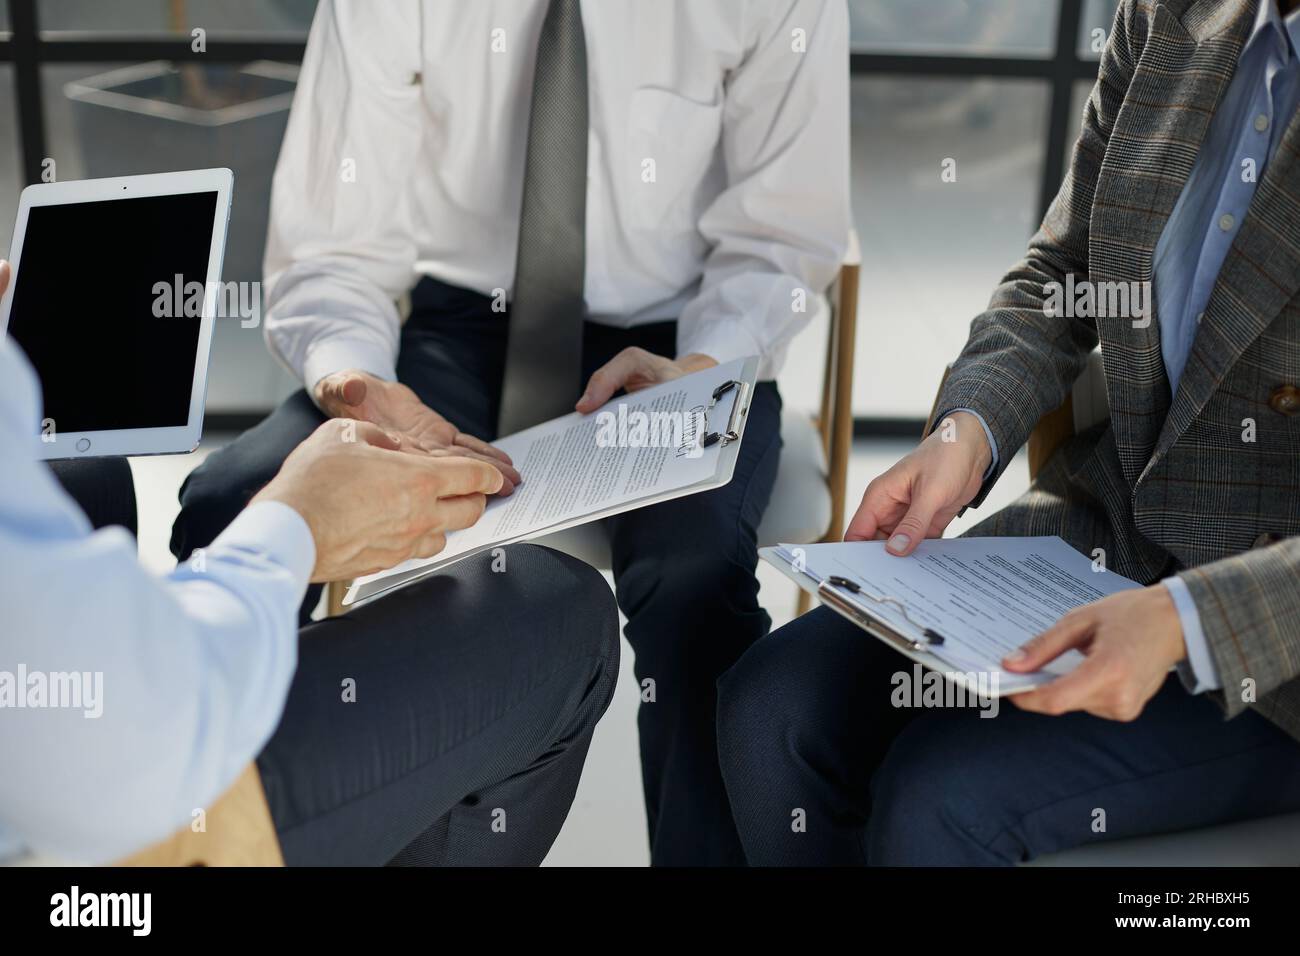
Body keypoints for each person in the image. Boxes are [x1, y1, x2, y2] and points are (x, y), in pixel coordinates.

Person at [169, 0, 850, 865]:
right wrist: (357, 382)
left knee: (693, 571)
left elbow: (781, 238)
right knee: (236, 500)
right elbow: (334, 250)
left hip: (682, 342)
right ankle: (215, 835)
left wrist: (707, 365)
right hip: (458, 332)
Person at [716, 0, 1300, 865]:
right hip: (1110, 539)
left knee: (939, 802)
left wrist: (1186, 621)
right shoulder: (1170, 14)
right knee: (772, 707)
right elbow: (1061, 271)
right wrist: (968, 430)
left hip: (1268, 647)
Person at [0, 255, 619, 866]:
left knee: (81, 473)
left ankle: (322, 780)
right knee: (558, 606)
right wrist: (295, 524)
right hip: (114, 770)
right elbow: (121, 717)